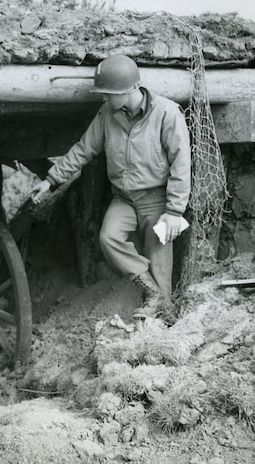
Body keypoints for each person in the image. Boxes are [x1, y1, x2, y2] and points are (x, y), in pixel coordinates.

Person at [29, 55, 191, 322]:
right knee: (109, 238)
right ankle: (151, 293)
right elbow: (84, 149)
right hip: (124, 199)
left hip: (156, 199)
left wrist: (174, 211)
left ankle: (164, 324)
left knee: (160, 263)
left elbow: (181, 164)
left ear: (127, 91)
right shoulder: (107, 114)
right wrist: (50, 180)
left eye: (107, 94)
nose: (103, 99)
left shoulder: (167, 113)